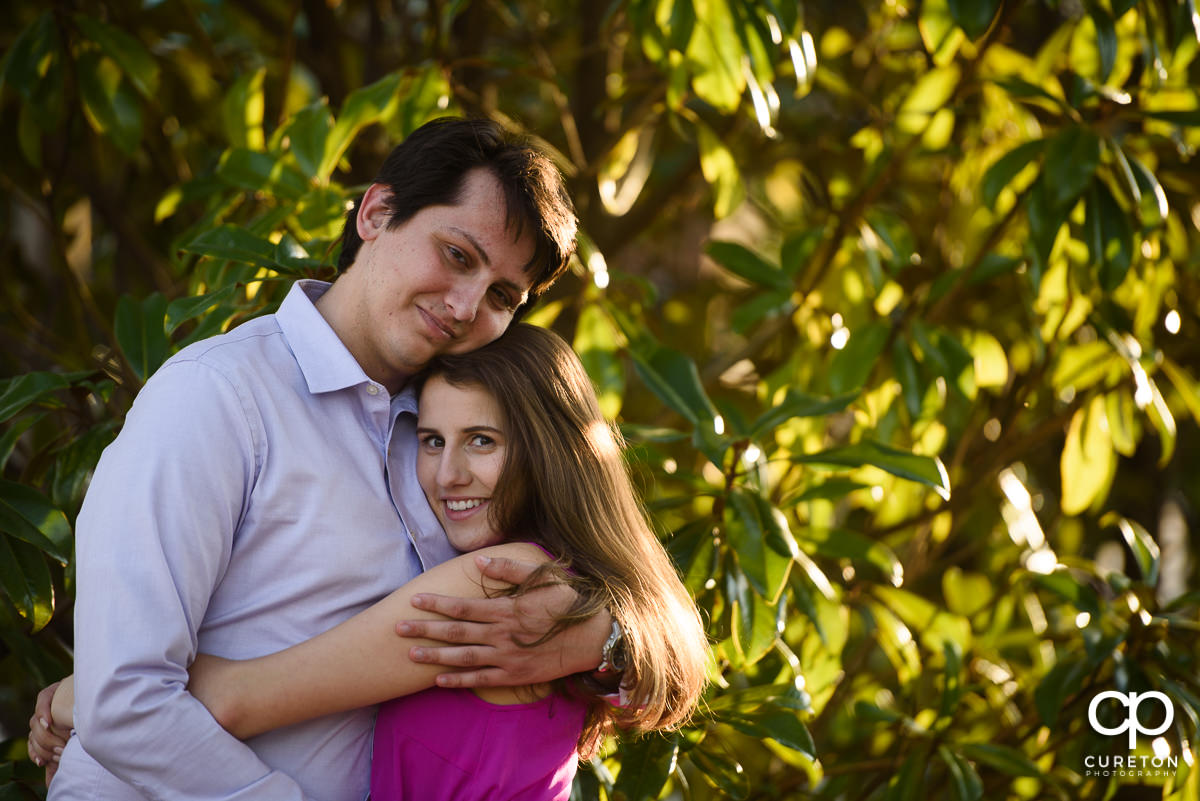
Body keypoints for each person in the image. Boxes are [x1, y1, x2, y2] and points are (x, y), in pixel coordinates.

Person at [28, 116, 624, 801]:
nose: (465, 307)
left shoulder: (460, 434)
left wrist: (608, 638)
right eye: (457, 255)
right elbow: (125, 700)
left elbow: (610, 561)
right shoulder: (218, 396)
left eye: (501, 297)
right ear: (376, 212)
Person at [43, 323, 710, 800]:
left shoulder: (496, 584)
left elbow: (242, 699)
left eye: (481, 440)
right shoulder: (579, 586)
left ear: (545, 450)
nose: (448, 474)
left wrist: (90, 692)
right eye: (429, 439)